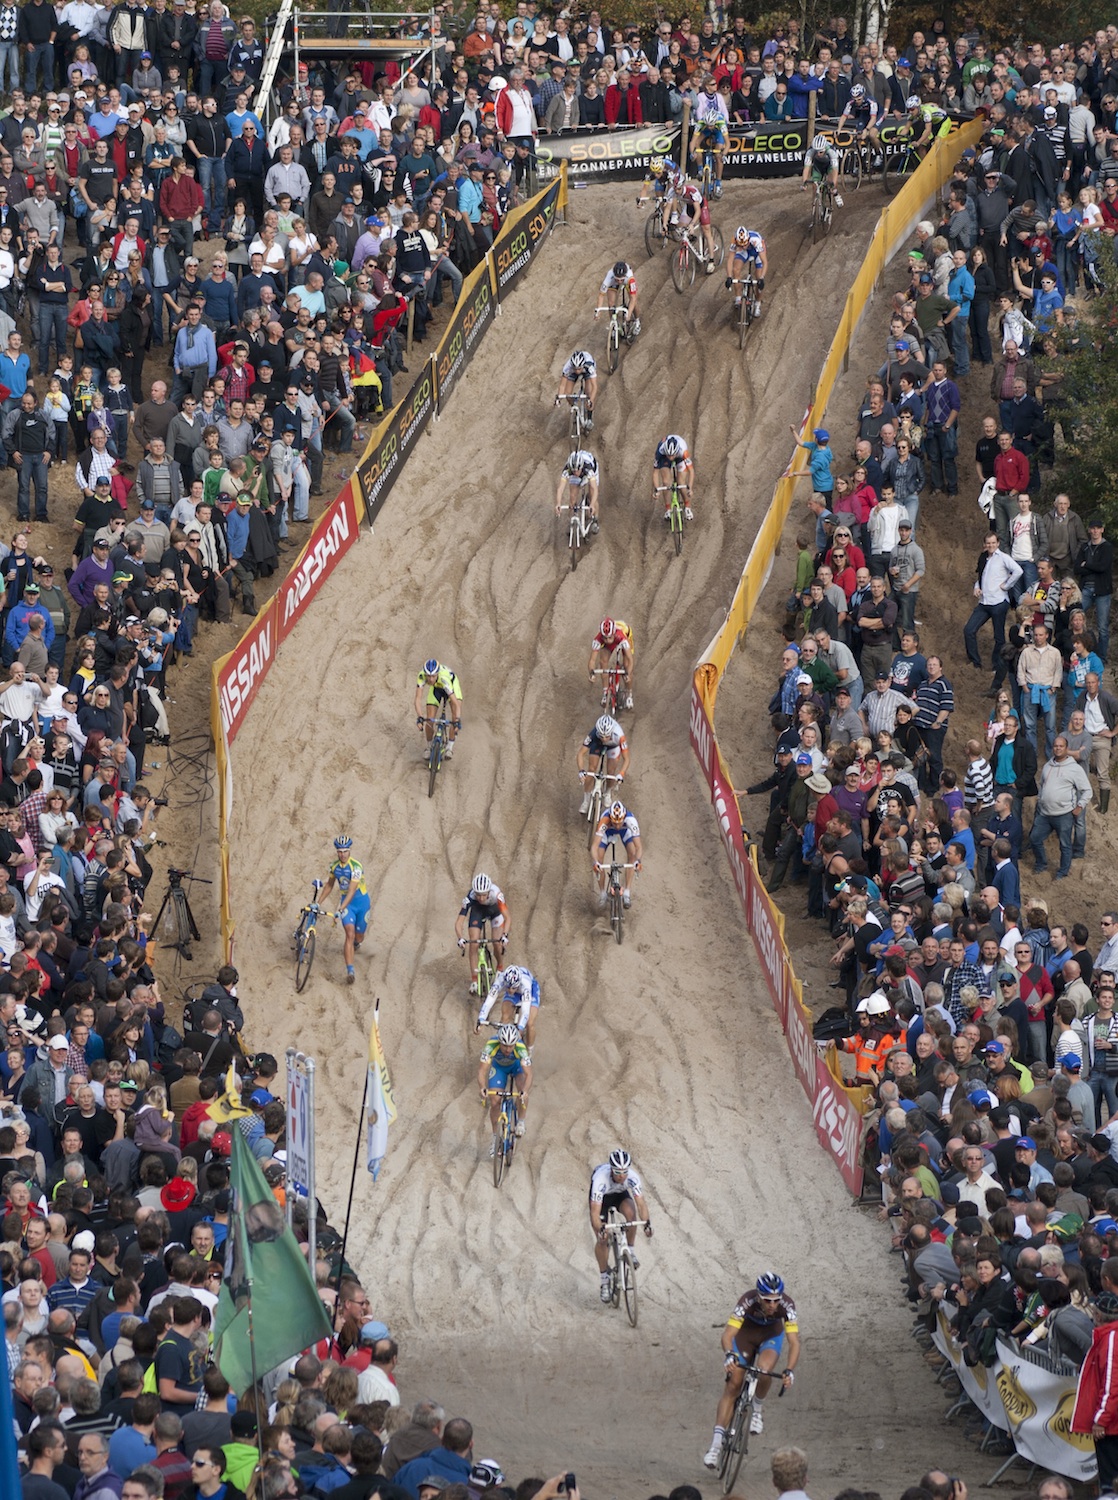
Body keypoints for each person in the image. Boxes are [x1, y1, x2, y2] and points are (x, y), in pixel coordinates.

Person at [704, 1272, 799, 1469]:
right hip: (745, 1336)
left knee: (764, 1370)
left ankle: (756, 1409)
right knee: (733, 1385)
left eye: (776, 1300)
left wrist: (789, 1370)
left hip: (771, 1336)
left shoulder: (787, 1306)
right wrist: (729, 1354)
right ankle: (715, 1446)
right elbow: (728, 1334)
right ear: (758, 1296)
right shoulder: (746, 1301)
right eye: (767, 1300)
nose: (772, 1305)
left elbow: (794, 1342)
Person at [588, 1147, 653, 1303]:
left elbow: (641, 1204)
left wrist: (647, 1224)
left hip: (619, 1195)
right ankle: (604, 1280)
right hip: (602, 1199)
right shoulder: (600, 1179)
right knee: (602, 1239)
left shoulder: (632, 1177)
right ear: (612, 1170)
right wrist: (600, 1229)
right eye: (618, 1173)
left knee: (631, 1215)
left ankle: (629, 1250)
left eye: (625, 1172)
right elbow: (594, 1213)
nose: (622, 1176)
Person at [1030, 735, 1093, 879]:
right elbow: (1042, 785)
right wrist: (1040, 800)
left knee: (1065, 845)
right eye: (1055, 746)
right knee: (1034, 838)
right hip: (1045, 814)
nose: (1058, 748)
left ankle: (1062, 872)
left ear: (1067, 748)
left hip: (1064, 814)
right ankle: (1041, 864)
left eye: (1061, 746)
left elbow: (1087, 790)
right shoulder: (1047, 766)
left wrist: (1080, 806)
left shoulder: (1074, 769)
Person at [320, 833, 370, 985]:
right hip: (346, 905)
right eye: (340, 851)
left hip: (361, 904)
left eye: (345, 851)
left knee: (358, 936)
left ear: (350, 851)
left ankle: (356, 944)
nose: (342, 854)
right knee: (349, 933)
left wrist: (340, 908)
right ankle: (350, 970)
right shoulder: (334, 867)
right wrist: (318, 902)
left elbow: (352, 890)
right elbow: (329, 885)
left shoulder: (356, 867)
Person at [476, 1022, 531, 1155]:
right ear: (499, 1041)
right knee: (495, 1101)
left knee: (522, 1088)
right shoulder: (491, 1045)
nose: (507, 1049)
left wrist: (525, 1091)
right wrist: (482, 1087)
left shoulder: (520, 1048)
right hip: (499, 1068)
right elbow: (482, 1071)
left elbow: (529, 1074)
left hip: (517, 1067)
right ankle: (495, 1138)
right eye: (504, 1045)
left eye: (510, 1046)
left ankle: (521, 1121)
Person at [454, 873, 510, 996]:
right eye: (478, 895)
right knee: (473, 942)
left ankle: (500, 969)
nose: (481, 898)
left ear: (489, 891)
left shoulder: (497, 894)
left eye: (484, 895)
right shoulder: (470, 897)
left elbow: (507, 917)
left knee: (497, 942)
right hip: (477, 912)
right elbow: (459, 922)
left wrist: (505, 935)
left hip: (495, 911)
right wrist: (460, 938)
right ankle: (474, 980)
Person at [475, 961, 541, 1048]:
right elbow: (489, 1000)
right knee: (505, 1018)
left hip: (531, 990)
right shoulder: (501, 979)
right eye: (508, 987)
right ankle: (500, 1046)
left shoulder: (526, 985)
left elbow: (525, 1012)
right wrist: (481, 1019)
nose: (510, 990)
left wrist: (520, 1028)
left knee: (529, 1023)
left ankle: (529, 1051)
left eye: (513, 988)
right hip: (516, 992)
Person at [592, 798, 643, 907]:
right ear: (610, 818)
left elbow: (638, 846)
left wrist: (637, 862)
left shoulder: (631, 820)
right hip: (607, 831)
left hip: (626, 831)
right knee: (600, 858)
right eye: (614, 823)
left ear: (624, 817)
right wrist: (596, 862)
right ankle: (602, 894)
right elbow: (594, 846)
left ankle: (627, 893)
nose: (617, 826)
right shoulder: (604, 820)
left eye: (619, 823)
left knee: (632, 854)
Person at [577, 714, 630, 815]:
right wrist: (581, 770)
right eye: (601, 735)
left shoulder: (619, 735)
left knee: (611, 771)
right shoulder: (593, 734)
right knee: (591, 769)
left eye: (607, 736)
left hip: (613, 746)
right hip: (597, 744)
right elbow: (580, 753)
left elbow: (626, 758)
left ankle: (607, 793)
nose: (604, 739)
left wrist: (621, 774)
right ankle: (586, 800)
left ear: (612, 731)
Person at [414, 658, 462, 761]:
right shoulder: (421, 676)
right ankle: (429, 747)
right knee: (429, 718)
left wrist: (457, 720)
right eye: (428, 676)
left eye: (433, 676)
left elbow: (456, 704)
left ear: (437, 673)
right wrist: (420, 717)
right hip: (436, 688)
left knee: (454, 716)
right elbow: (417, 699)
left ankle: (449, 747)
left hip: (451, 686)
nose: (430, 679)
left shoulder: (444, 679)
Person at [691, 74, 728, 198]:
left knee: (718, 155)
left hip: (718, 126)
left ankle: (718, 183)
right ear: (706, 86)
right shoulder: (701, 97)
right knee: (697, 143)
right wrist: (693, 152)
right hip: (705, 123)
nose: (716, 86)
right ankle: (701, 169)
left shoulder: (720, 121)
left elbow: (727, 143)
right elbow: (693, 141)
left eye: (715, 84)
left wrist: (724, 154)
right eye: (713, 84)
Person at [589, 617, 635, 711]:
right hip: (615, 638)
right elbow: (592, 660)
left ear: (613, 633)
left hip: (623, 635)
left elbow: (630, 659)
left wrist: (627, 673)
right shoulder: (598, 639)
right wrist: (591, 673)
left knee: (626, 665)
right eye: (604, 638)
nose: (607, 640)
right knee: (603, 662)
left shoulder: (622, 636)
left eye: (609, 637)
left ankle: (629, 694)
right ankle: (605, 692)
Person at [555, 449, 599, 534]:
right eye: (573, 471)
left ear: (581, 467)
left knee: (592, 494)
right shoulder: (567, 470)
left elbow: (595, 489)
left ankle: (595, 519)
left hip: (592, 468)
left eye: (577, 470)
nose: (576, 473)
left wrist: (592, 505)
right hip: (579, 469)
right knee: (572, 498)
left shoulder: (588, 469)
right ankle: (571, 521)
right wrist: (558, 503)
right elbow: (560, 489)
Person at [652, 434, 694, 521]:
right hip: (664, 457)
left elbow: (691, 471)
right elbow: (655, 473)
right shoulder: (660, 451)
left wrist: (690, 487)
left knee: (681, 482)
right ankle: (668, 509)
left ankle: (687, 507)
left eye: (672, 456)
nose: (671, 458)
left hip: (680, 457)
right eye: (669, 455)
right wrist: (656, 490)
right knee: (666, 482)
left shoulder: (683, 451)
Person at [726, 225, 767, 313]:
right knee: (735, 270)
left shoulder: (756, 241)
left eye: (745, 244)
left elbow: (765, 262)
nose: (743, 246)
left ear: (748, 240)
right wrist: (729, 277)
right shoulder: (735, 241)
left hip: (757, 251)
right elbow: (730, 260)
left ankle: (758, 304)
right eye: (741, 245)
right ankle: (738, 298)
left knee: (758, 277)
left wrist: (762, 278)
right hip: (745, 253)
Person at [554, 349, 597, 430]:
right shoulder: (568, 367)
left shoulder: (589, 366)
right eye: (575, 369)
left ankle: (589, 419)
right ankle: (575, 410)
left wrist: (590, 400)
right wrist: (558, 398)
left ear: (582, 365)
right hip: (572, 372)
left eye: (579, 369)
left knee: (589, 392)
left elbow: (594, 386)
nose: (577, 371)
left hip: (586, 371)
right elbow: (562, 386)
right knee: (568, 393)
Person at [593, 259, 641, 329]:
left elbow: (633, 298)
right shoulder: (609, 276)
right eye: (617, 279)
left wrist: (629, 314)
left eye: (621, 280)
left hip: (627, 282)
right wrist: (598, 311)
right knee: (611, 303)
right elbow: (601, 295)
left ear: (625, 276)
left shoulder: (630, 278)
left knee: (633, 301)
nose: (619, 282)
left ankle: (637, 320)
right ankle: (613, 325)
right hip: (613, 283)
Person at [801, 132, 843, 207]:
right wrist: (804, 183)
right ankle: (815, 204)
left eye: (821, 152)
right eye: (816, 152)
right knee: (815, 185)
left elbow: (835, 171)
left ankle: (836, 194)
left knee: (831, 182)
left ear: (824, 149)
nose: (818, 154)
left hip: (829, 165)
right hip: (818, 166)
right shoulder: (810, 151)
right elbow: (806, 168)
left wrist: (833, 184)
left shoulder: (831, 151)